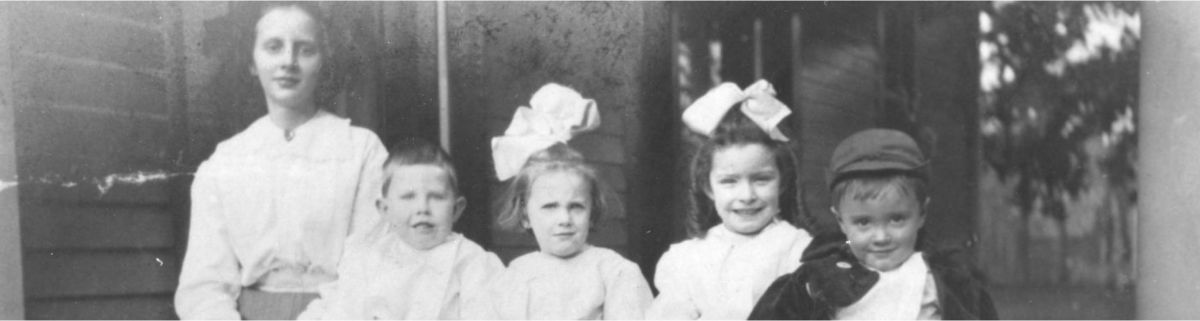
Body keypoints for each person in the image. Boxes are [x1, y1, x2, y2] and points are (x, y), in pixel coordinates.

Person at [175, 2, 387, 319]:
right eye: (273, 47)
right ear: (251, 61)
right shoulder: (225, 162)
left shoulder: (361, 151)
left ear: (323, 61)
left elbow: (372, 270)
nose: (288, 61)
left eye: (305, 49)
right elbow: (203, 286)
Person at [748, 128, 998, 320]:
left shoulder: (946, 278)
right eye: (863, 222)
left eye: (897, 219)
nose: (881, 237)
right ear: (841, 222)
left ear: (921, 214)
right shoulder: (821, 277)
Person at [465, 83, 653, 320]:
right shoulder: (512, 278)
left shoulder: (614, 272)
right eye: (550, 207)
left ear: (592, 211)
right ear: (525, 215)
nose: (564, 219)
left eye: (576, 206)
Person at [646, 80, 814, 320]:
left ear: (782, 182)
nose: (746, 196)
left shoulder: (797, 249)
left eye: (761, 179)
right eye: (729, 181)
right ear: (708, 187)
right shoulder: (685, 260)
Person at [297, 138, 504, 319]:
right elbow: (343, 312)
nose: (422, 208)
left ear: (456, 209)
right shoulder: (368, 260)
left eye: (436, 197)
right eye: (408, 197)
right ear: (385, 210)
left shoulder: (472, 262)